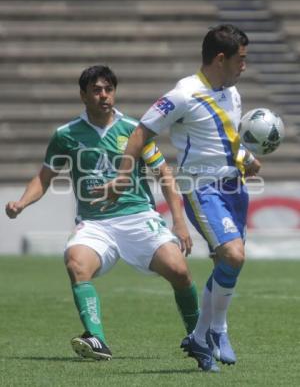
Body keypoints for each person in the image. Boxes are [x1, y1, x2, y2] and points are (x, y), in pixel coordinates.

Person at [92, 25, 261, 372]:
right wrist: (123, 174)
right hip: (202, 188)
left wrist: (246, 157)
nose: (244, 66)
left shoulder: (232, 93)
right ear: (220, 58)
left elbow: (225, 142)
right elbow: (141, 131)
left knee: (229, 262)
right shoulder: (184, 94)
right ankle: (217, 329)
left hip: (235, 187)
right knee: (233, 255)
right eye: (240, 59)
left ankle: (200, 337)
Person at [5, 65, 200, 361]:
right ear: (83, 95)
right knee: (76, 264)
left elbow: (165, 176)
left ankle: (199, 336)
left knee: (179, 271)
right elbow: (44, 177)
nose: (104, 96)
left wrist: (180, 223)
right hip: (95, 223)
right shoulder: (66, 135)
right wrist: (21, 202)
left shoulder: (134, 131)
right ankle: (96, 339)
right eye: (96, 90)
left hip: (138, 217)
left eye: (108, 89)